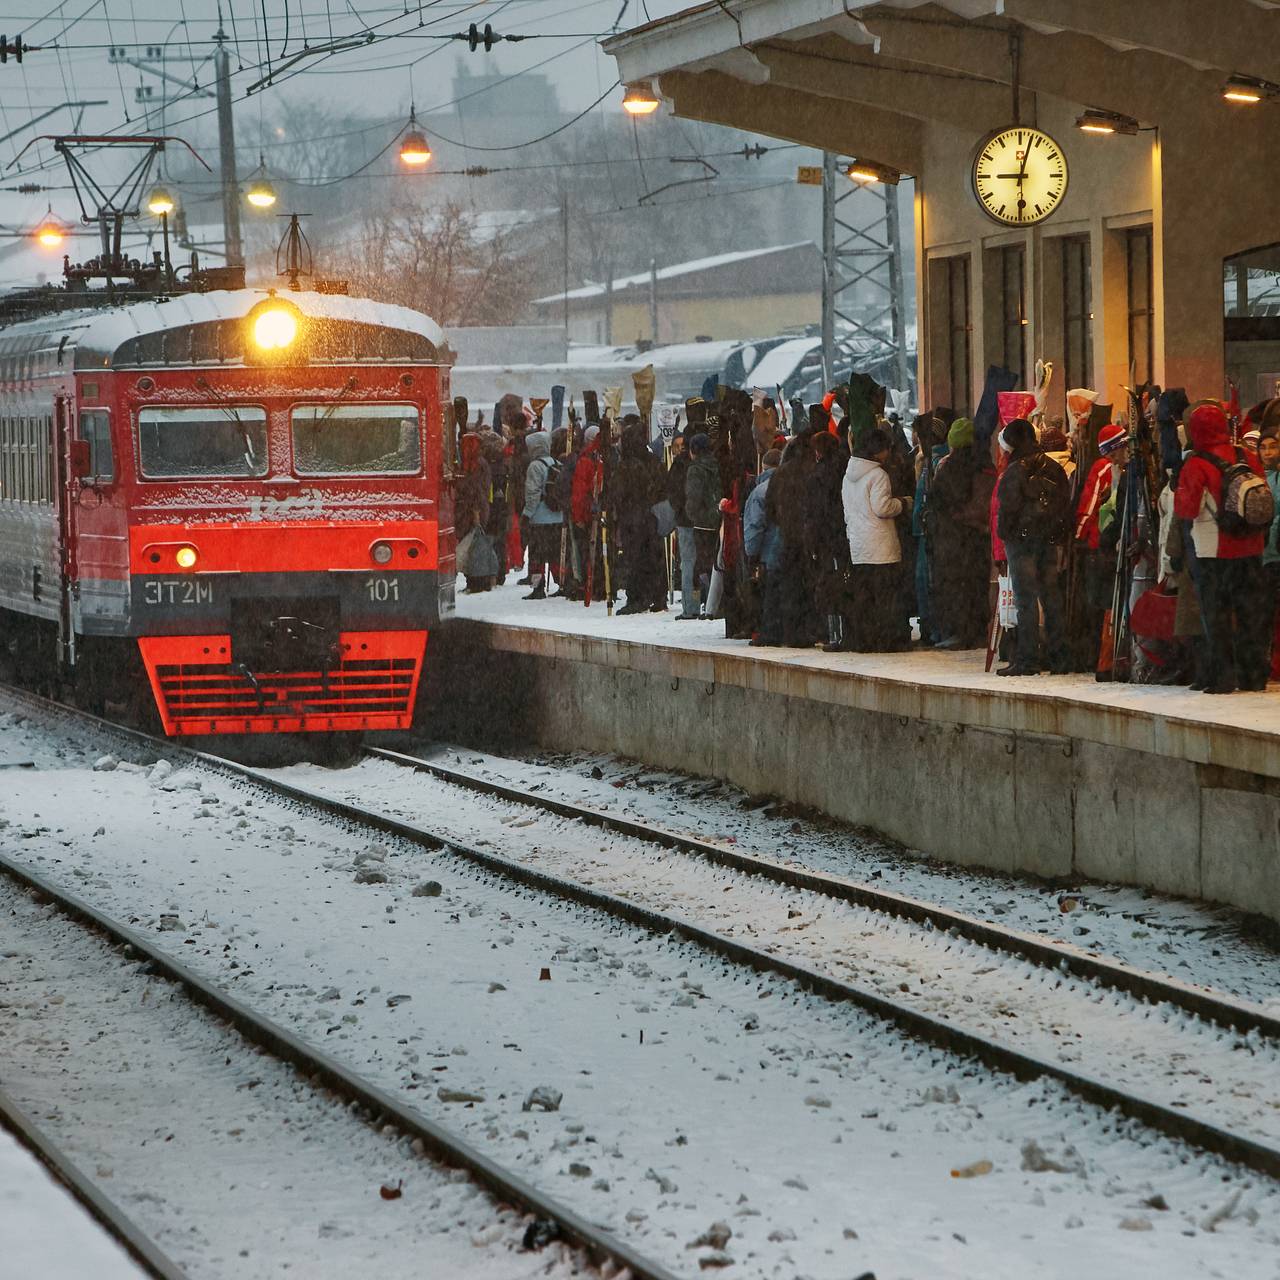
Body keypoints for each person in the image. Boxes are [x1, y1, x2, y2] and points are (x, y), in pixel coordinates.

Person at [1173, 401, 1271, 692]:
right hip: (1252, 547)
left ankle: (1222, 677)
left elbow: (1188, 510)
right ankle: (1253, 675)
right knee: (1250, 614)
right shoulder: (1247, 455)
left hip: (1214, 551)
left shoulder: (1196, 464)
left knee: (1216, 616)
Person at [994, 418, 1072, 675]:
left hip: (1021, 543)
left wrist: (1006, 535)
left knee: (1025, 600)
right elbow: (1063, 505)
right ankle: (1059, 656)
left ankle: (1027, 659)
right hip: (1048, 541)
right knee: (1052, 598)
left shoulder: (1014, 471)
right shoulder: (1054, 468)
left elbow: (1007, 510)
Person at [841, 426, 912, 652]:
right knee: (886, 596)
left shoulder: (848, 475)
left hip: (859, 544)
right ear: (877, 451)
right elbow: (882, 508)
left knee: (865, 596)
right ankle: (887, 640)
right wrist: (903, 503)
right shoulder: (878, 475)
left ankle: (865, 639)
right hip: (881, 545)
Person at [928, 417, 993, 649]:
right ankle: (976, 631)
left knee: (956, 587)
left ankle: (960, 632)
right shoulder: (984, 464)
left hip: (953, 540)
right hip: (978, 539)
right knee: (976, 585)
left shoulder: (950, 468)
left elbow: (940, 502)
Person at [613, 420, 669, 615]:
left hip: (632, 519)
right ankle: (658, 595)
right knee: (653, 557)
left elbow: (619, 495)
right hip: (651, 517)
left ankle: (637, 597)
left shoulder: (626, 466)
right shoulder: (653, 461)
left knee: (635, 559)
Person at [743, 448, 783, 645]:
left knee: (769, 596)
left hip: (768, 551)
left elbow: (755, 525)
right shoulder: (789, 485)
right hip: (789, 549)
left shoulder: (759, 491)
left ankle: (769, 632)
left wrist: (751, 552)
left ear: (763, 467)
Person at [683, 432, 722, 620]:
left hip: (702, 523)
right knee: (716, 563)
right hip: (718, 518)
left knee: (701, 565)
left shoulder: (695, 470)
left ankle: (706, 601)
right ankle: (716, 602)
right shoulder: (717, 465)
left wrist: (692, 515)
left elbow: (693, 497)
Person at [522, 429, 560, 600]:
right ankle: (562, 582)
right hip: (557, 517)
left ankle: (538, 587)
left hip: (539, 518)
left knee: (537, 555)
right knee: (555, 554)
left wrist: (526, 514)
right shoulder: (556, 463)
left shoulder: (535, 466)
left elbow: (533, 494)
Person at [455, 432, 496, 593]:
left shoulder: (475, 465)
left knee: (474, 545)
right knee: (472, 545)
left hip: (473, 510)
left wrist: (476, 512)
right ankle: (474, 580)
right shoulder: (475, 463)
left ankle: (477, 581)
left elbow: (477, 489)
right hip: (471, 509)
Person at [667, 430, 698, 619]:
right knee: (705, 563)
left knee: (688, 563)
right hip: (705, 519)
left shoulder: (680, 464)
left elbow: (671, 490)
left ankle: (690, 606)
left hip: (685, 520)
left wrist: (680, 509)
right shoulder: (707, 460)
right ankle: (709, 603)